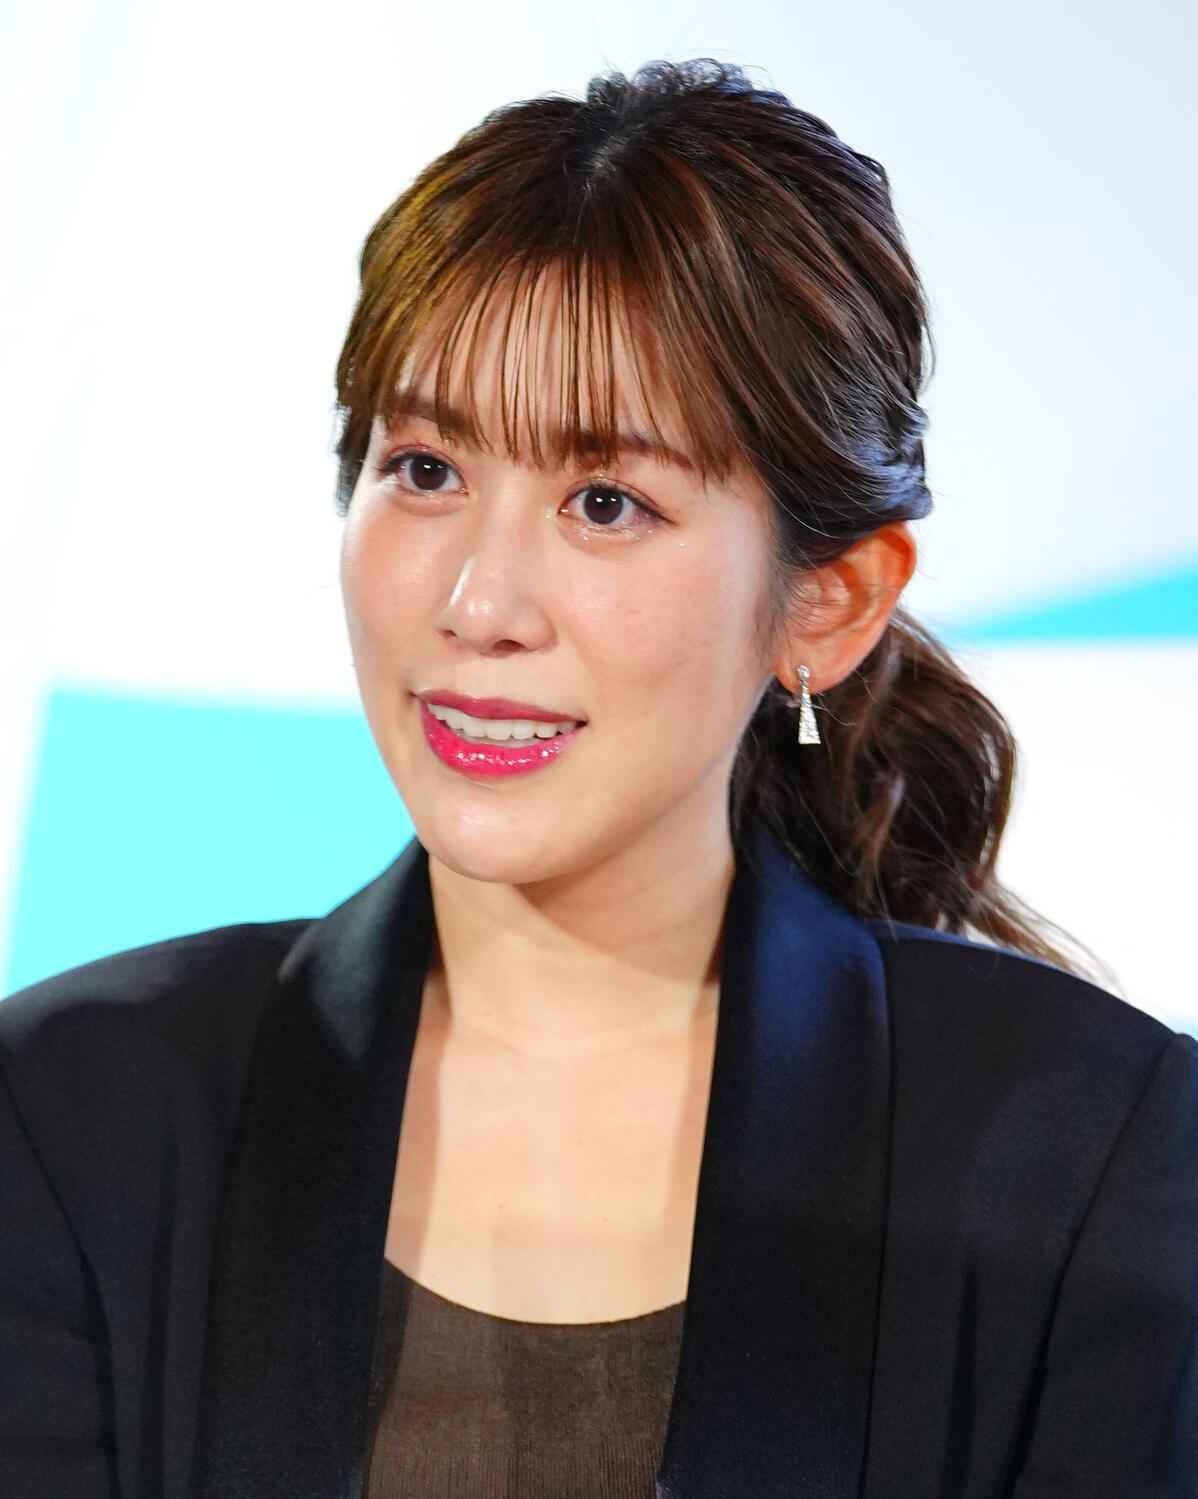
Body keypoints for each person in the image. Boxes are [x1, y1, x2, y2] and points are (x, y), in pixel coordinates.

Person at [1, 56, 1194, 1499]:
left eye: (606, 502)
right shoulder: (75, 1115)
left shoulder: (1098, 1159)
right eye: (425, 470)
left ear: (826, 604)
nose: (480, 603)